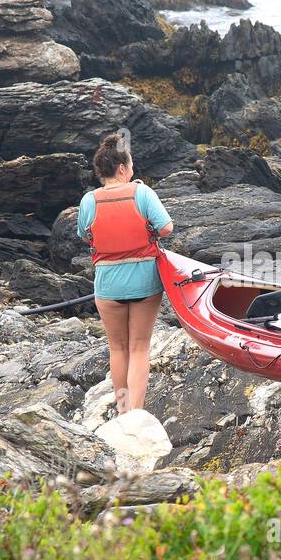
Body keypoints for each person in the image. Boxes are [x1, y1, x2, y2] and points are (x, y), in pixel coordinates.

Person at [77, 133, 174, 414]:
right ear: (122, 168)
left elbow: (85, 234)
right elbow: (166, 228)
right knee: (140, 348)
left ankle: (122, 410)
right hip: (144, 281)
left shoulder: (89, 200)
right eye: (130, 165)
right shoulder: (141, 191)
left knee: (118, 349)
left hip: (107, 284)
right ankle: (136, 414)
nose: (132, 170)